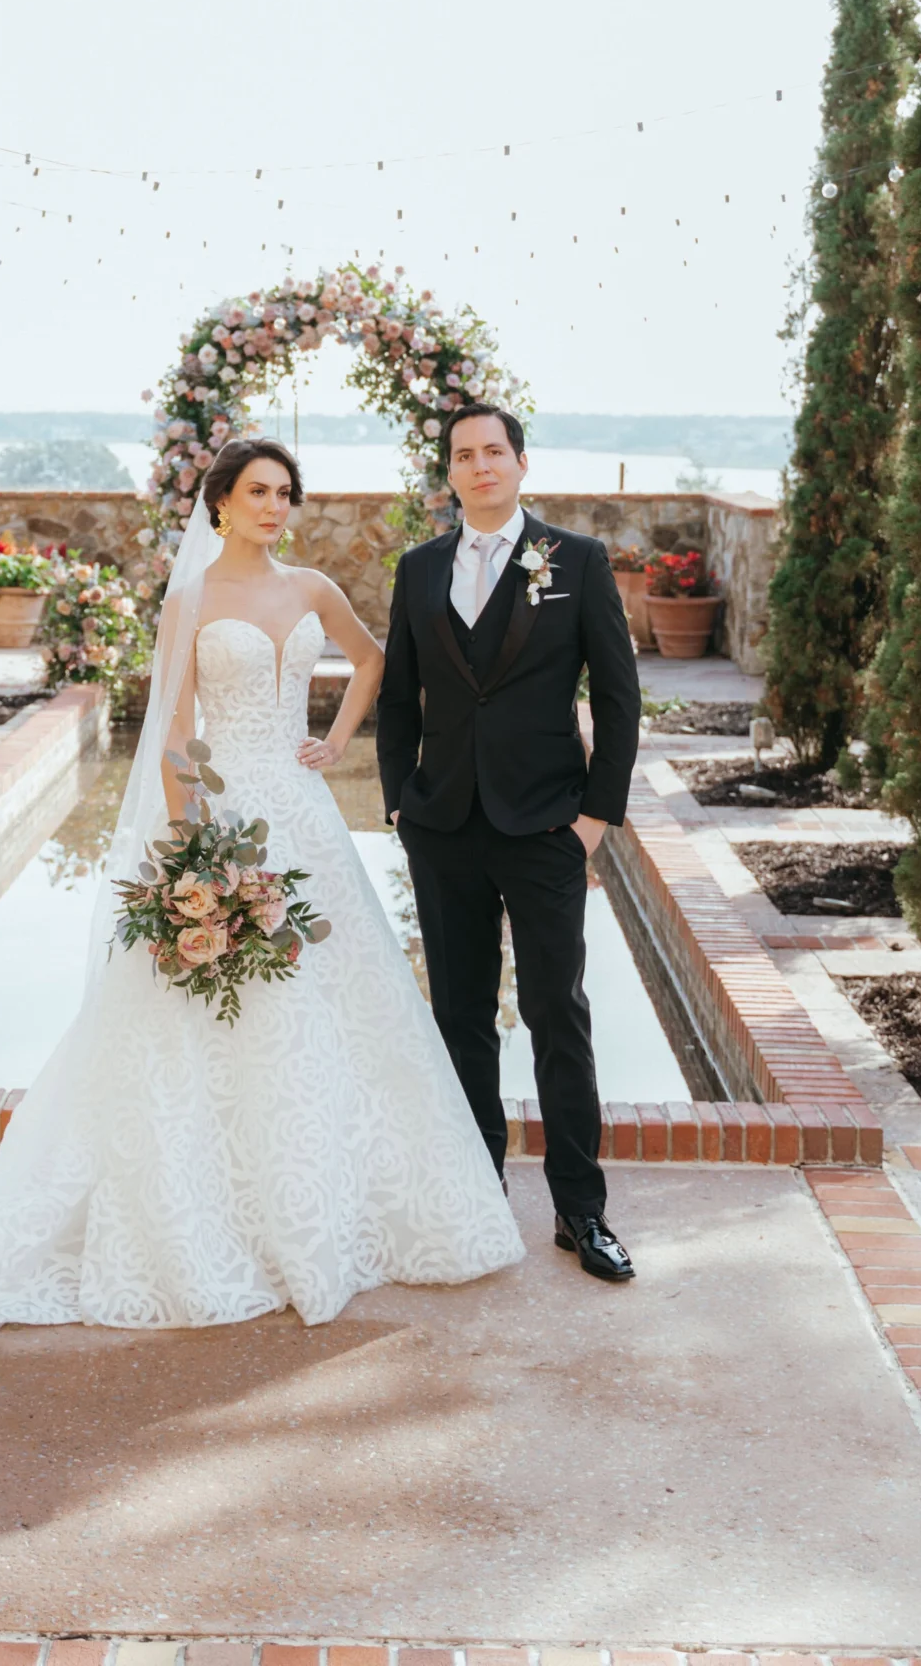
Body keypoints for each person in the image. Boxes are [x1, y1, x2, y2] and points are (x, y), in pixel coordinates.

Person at [0, 436, 523, 1346]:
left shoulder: (313, 588)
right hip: (225, 816)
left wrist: (334, 741)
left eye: (285, 492)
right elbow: (172, 734)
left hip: (307, 819)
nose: (274, 507)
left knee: (339, 1013)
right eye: (256, 492)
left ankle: (327, 1214)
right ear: (220, 503)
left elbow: (373, 661)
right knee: (218, 1022)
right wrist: (193, 848)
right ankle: (220, 1219)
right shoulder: (194, 600)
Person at [378, 402, 641, 1282]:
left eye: (494, 450)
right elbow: (397, 697)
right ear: (448, 473)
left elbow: (616, 696)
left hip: (545, 828)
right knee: (459, 1021)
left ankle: (580, 1210)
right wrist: (395, 805)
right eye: (463, 454)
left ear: (521, 464)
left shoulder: (578, 561)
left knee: (555, 1017)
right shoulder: (417, 571)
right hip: (443, 828)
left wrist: (595, 819)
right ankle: (474, 1190)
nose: (480, 465)